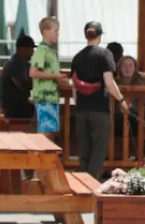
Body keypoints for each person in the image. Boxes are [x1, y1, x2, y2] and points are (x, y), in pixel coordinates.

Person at [69, 20, 126, 178]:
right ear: (99, 36)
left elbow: (74, 85)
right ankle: (93, 181)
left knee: (84, 149)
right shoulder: (104, 54)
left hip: (81, 108)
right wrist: (121, 100)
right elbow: (109, 82)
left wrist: (77, 104)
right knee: (99, 149)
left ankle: (82, 180)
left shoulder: (77, 58)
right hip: (100, 108)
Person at [28, 16, 64, 136]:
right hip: (44, 98)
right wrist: (55, 77)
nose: (57, 34)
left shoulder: (51, 51)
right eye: (55, 31)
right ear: (45, 32)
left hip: (52, 98)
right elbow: (33, 73)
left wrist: (60, 80)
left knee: (50, 133)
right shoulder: (41, 50)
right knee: (44, 134)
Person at [0, 33, 36, 122]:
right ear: (22, 49)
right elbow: (23, 86)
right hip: (13, 108)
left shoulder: (24, 64)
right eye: (31, 49)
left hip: (18, 105)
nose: (33, 52)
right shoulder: (15, 64)